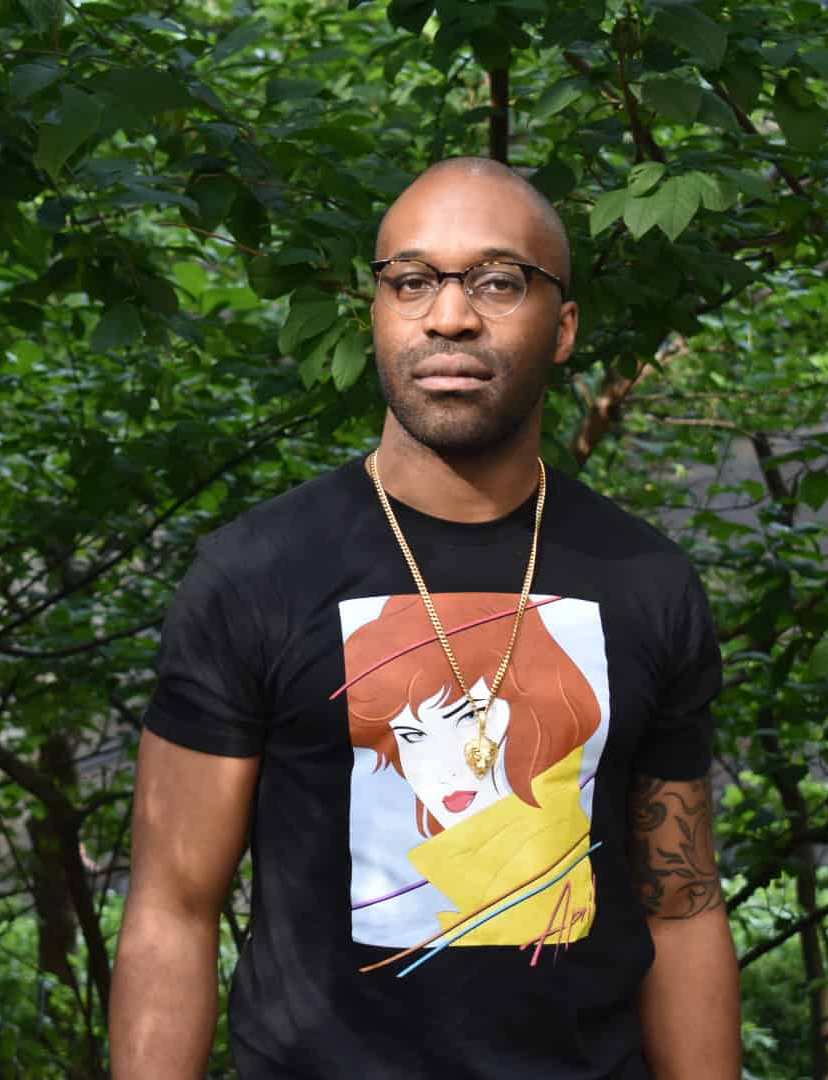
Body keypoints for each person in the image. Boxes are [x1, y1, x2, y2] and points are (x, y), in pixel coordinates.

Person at [109, 157, 741, 1079]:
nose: (449, 316)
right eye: (411, 281)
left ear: (564, 327)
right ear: (376, 313)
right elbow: (173, 910)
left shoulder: (646, 583)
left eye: (497, 282)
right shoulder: (256, 575)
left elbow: (680, 909)